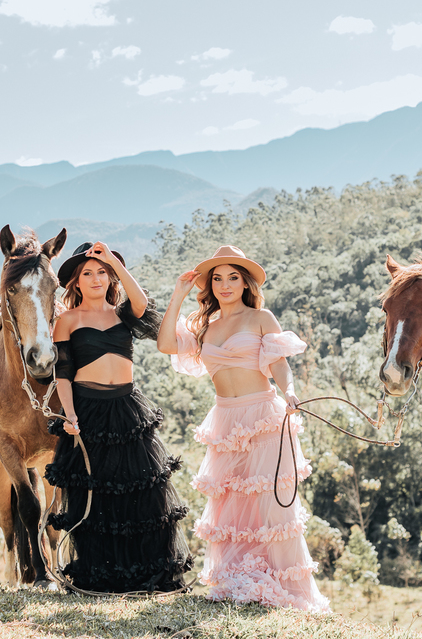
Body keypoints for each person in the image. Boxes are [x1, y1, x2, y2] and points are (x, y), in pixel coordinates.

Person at [157, 245, 330, 612]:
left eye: (232, 277)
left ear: (245, 281)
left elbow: (279, 363)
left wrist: (292, 392)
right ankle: (240, 578)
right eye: (217, 278)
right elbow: (165, 344)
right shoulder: (203, 325)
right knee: (231, 504)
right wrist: (178, 294)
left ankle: (288, 589)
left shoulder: (261, 317)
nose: (224, 285)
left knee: (271, 504)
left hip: (264, 415)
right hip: (225, 418)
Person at [44, 241, 193, 593]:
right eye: (87, 273)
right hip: (88, 408)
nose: (96, 278)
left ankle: (144, 577)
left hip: (127, 407)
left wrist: (112, 259)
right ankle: (103, 578)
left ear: (111, 278)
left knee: (143, 493)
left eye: (102, 273)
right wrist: (69, 415)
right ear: (76, 282)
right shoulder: (67, 320)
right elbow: (62, 374)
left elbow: (141, 304)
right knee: (97, 498)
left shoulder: (124, 312)